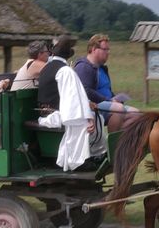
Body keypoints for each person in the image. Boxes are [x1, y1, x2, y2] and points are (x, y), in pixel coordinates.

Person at [36, 35, 105, 171]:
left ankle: (93, 154)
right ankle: (77, 161)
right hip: (55, 115)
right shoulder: (65, 71)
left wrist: (88, 104)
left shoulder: (46, 68)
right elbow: (72, 101)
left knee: (98, 117)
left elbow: (70, 96)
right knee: (82, 120)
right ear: (68, 55)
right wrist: (88, 118)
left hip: (46, 113)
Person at [73, 34, 139, 131]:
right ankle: (112, 143)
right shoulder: (84, 67)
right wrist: (109, 100)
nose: (108, 53)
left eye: (108, 50)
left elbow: (106, 89)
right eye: (105, 49)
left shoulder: (102, 68)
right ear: (94, 49)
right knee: (119, 109)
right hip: (91, 106)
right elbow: (85, 90)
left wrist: (115, 98)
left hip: (107, 104)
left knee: (137, 114)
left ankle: (122, 142)